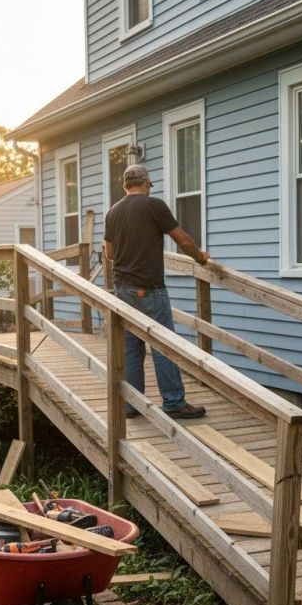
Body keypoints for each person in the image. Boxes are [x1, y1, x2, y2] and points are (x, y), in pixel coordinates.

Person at [103, 164, 210, 420]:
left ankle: (131, 404)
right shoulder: (154, 206)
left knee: (131, 346)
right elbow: (182, 239)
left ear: (125, 186)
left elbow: (109, 254)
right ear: (147, 183)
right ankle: (173, 402)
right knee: (164, 345)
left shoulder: (113, 212)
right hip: (149, 288)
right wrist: (201, 258)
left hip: (123, 288)